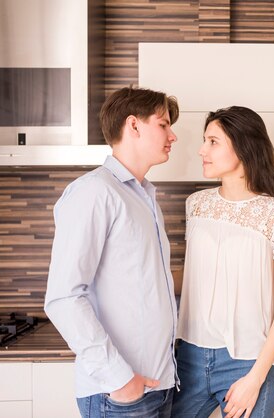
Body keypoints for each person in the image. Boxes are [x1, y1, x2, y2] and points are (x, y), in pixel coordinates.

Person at [45, 86, 180, 418]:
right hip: (121, 394)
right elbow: (63, 298)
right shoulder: (94, 192)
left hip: (157, 386)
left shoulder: (144, 197)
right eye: (163, 124)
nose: (173, 136)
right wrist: (120, 380)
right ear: (133, 125)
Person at [171, 106, 274, 418]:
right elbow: (196, 276)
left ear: (243, 146)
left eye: (213, 142)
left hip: (247, 361)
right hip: (188, 353)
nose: (202, 150)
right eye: (205, 141)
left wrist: (255, 378)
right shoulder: (196, 205)